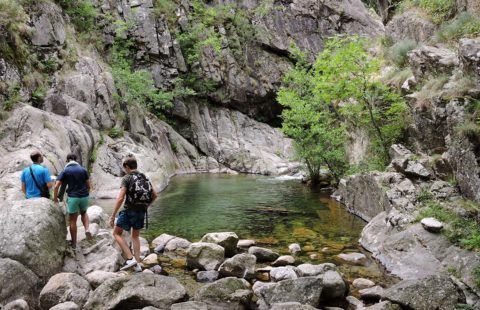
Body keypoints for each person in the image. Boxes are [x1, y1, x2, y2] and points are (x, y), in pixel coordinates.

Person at [110, 156, 157, 272]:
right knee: (135, 236)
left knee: (116, 233)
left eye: (124, 168)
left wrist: (113, 215)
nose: (124, 170)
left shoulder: (127, 178)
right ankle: (138, 264)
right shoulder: (144, 177)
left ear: (127, 166)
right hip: (141, 211)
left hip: (129, 210)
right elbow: (155, 195)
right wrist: (145, 206)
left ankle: (131, 259)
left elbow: (120, 198)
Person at [53, 153, 92, 249]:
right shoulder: (83, 170)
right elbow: (89, 186)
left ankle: (74, 244)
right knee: (84, 213)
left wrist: (55, 198)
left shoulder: (65, 171)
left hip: (73, 197)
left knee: (73, 220)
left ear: (67, 160)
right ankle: (87, 229)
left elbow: (56, 186)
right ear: (76, 160)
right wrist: (85, 194)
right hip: (84, 196)